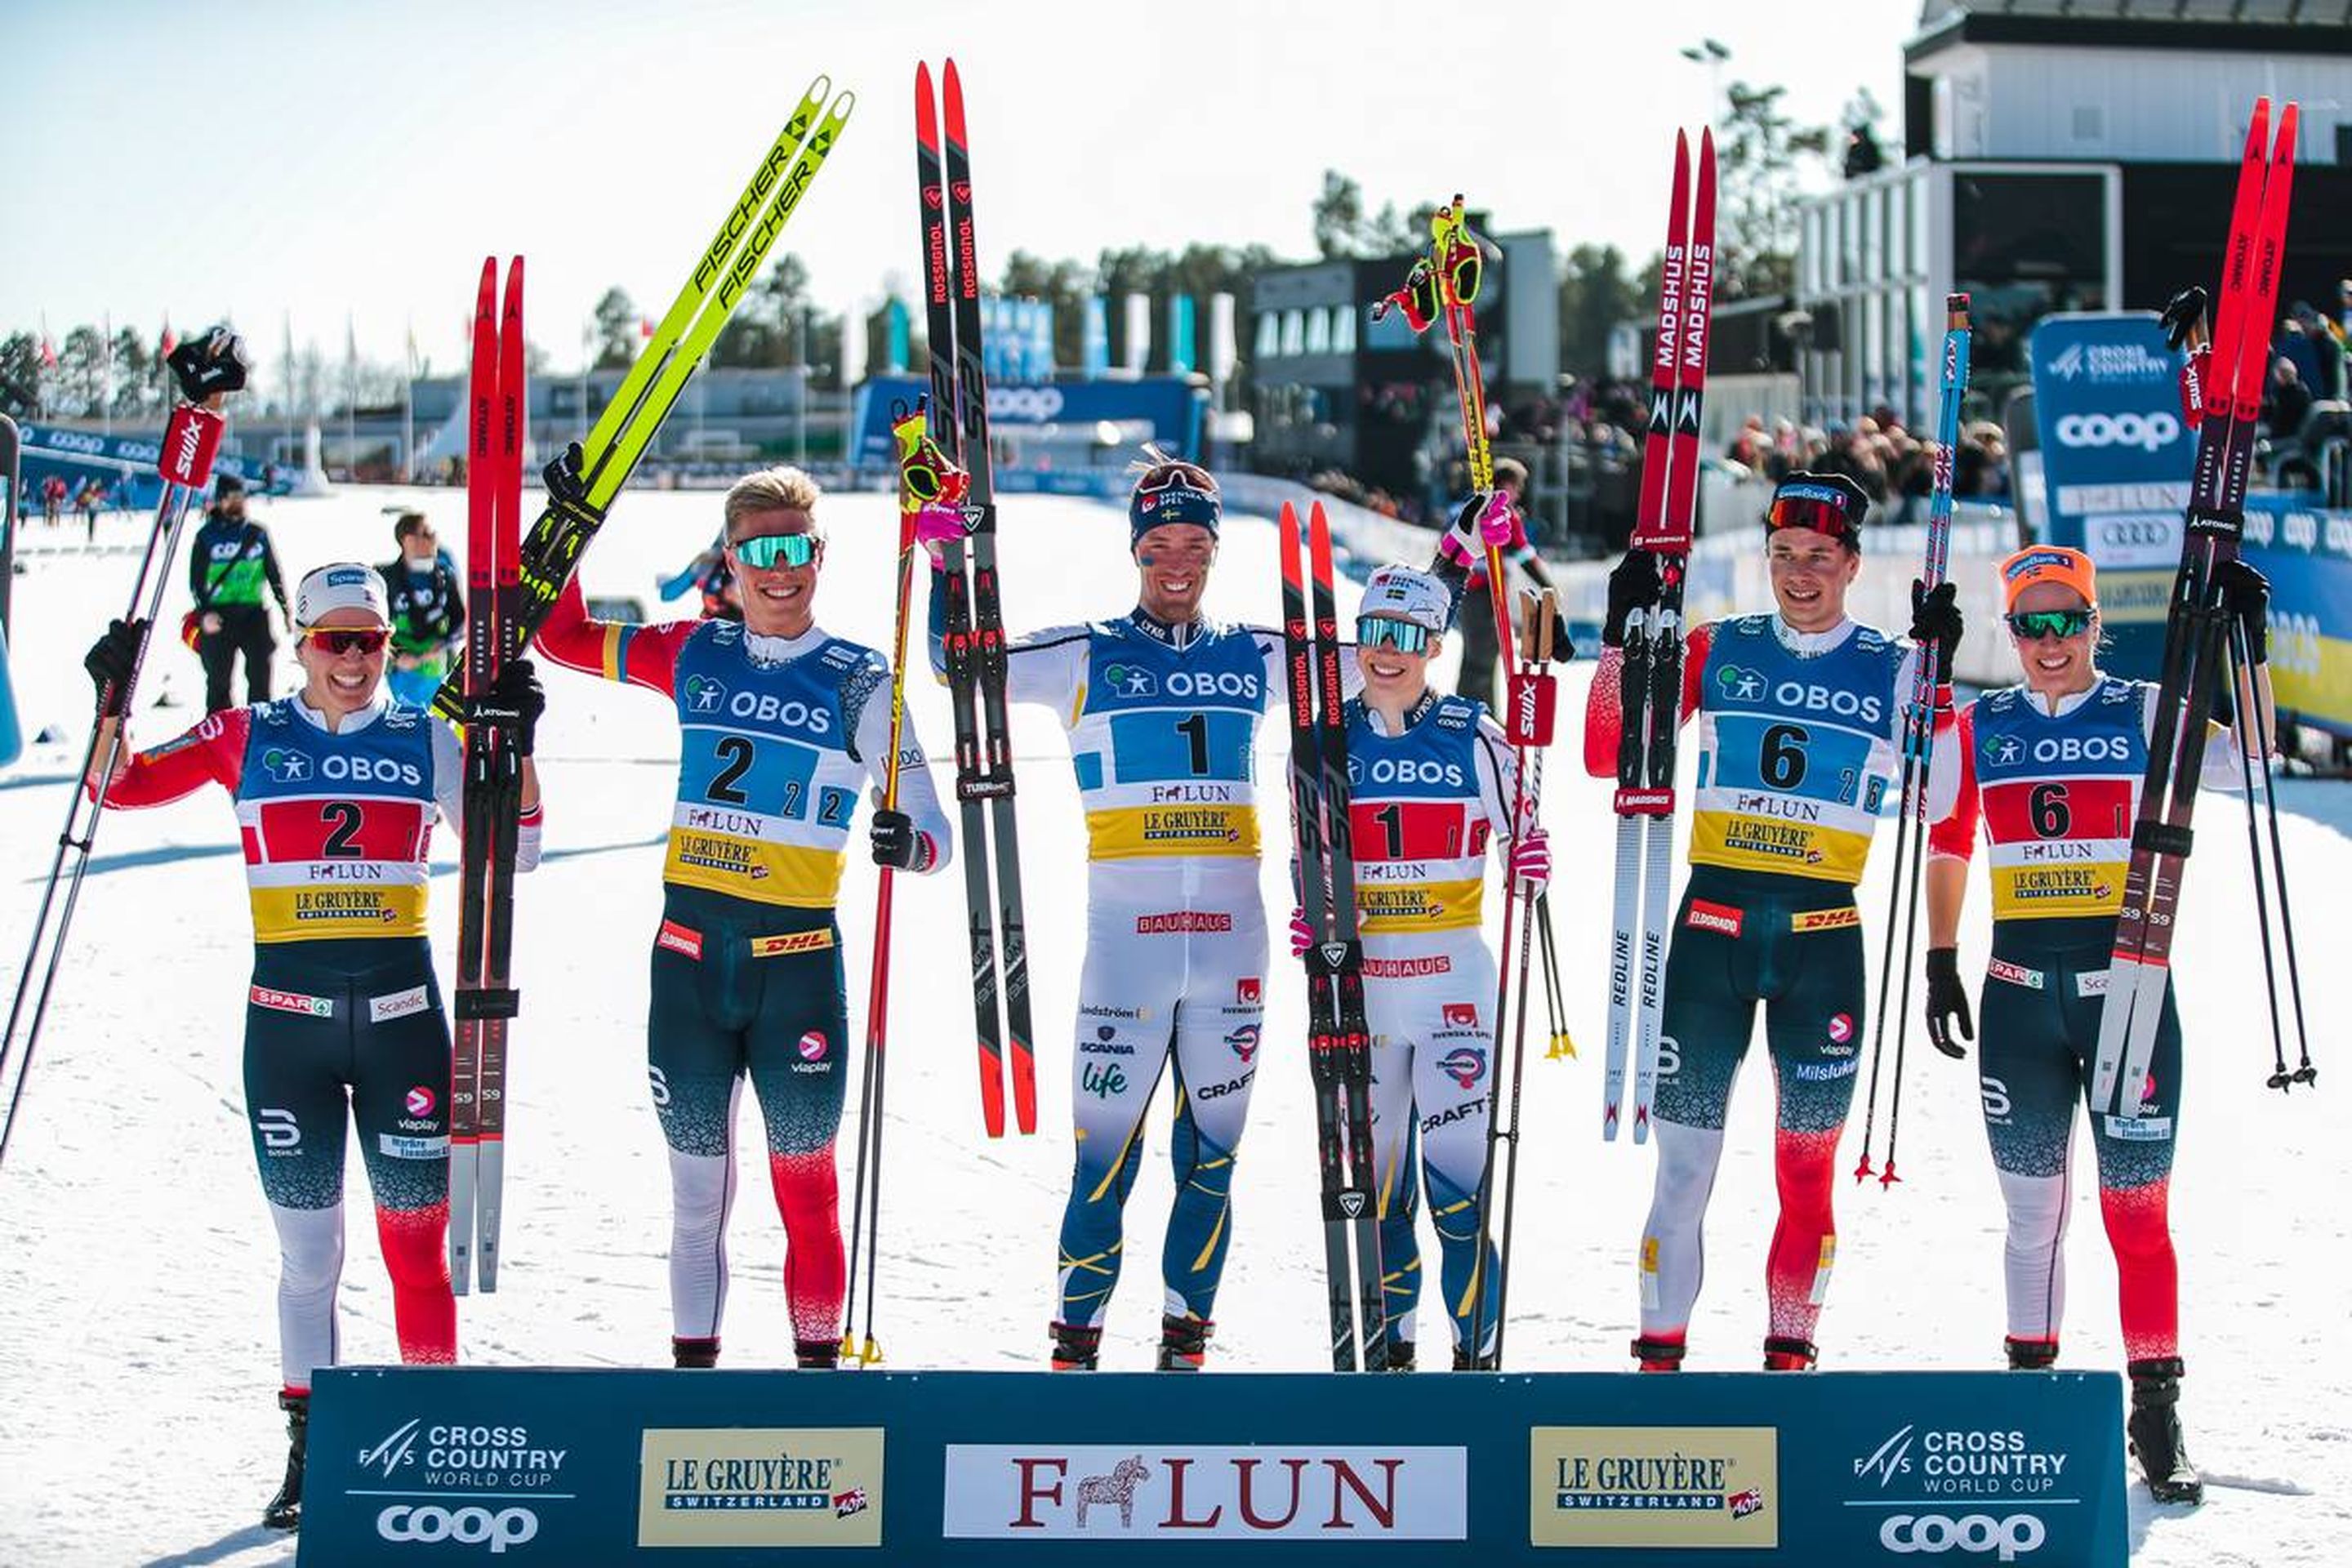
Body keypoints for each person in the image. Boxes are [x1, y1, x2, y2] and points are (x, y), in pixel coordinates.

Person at [80, 563, 546, 1531]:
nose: (352, 660)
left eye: (368, 641)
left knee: (415, 1251)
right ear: (297, 641)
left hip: (403, 1032)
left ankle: (433, 1435)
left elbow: (521, 849)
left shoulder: (427, 738)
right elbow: (114, 791)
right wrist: (110, 700)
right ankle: (310, 1451)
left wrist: (518, 748)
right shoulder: (246, 734)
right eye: (333, 639)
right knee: (309, 1258)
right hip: (286, 1034)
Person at [533, 463, 951, 1371]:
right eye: (761, 550)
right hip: (687, 965)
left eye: (797, 548)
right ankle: (694, 1383)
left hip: (796, 971)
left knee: (806, 1190)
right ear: (730, 557)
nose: (780, 570)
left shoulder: (859, 680)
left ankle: (816, 1389)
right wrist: (573, 522)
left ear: (820, 555)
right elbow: (558, 634)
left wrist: (901, 841)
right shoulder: (693, 651)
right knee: (695, 1197)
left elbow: (936, 833)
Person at [1584, 470, 1962, 1372]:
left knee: (1806, 1171)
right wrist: (1618, 643)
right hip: (1710, 932)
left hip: (1824, 939)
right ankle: (1659, 1358)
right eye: (1785, 556)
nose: (1800, 574)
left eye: (1820, 559)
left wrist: (1937, 680)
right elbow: (1610, 752)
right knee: (1682, 1171)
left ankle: (1790, 1358)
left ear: (1853, 565)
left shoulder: (1889, 664)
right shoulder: (1718, 646)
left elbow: (1940, 798)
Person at [1922, 545, 2270, 1508]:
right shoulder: (1977, 723)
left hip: (2132, 1001)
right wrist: (1939, 960)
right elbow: (1943, 836)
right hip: (2018, 1000)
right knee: (2034, 1219)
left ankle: (2157, 1416)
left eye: (2064, 621)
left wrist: (2251, 649)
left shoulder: (2143, 711)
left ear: (2091, 625)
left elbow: (2256, 762)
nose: (2047, 642)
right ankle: (2032, 1401)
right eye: (2029, 624)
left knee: (2136, 1216)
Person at [1305, 562, 1549, 1370]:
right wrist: (1315, 919)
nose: (1388, 653)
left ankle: (1475, 1361)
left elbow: (1522, 832)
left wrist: (1531, 857)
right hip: (1367, 1001)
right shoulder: (1324, 739)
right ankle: (1392, 1355)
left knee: (1458, 1198)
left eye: (1407, 638)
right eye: (1375, 633)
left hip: (1454, 994)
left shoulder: (1475, 734)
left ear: (1435, 647)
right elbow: (1313, 861)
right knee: (1379, 1199)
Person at [1447, 457, 1559, 710]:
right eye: (1516, 488)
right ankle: (1479, 712)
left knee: (1477, 654)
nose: (1518, 494)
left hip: (1472, 593)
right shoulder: (1498, 513)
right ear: (1505, 485)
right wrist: (1547, 585)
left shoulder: (1471, 508)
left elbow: (1522, 553)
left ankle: (1470, 708)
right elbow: (1524, 555)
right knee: (1482, 655)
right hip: (1480, 593)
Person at [189, 474, 292, 711]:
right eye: (232, 498)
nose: (238, 502)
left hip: (254, 613)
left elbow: (273, 573)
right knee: (219, 682)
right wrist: (205, 613)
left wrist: (285, 607)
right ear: (220, 501)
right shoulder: (206, 536)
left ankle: (259, 729)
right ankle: (219, 734)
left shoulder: (258, 533)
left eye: (241, 497)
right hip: (219, 616)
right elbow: (196, 582)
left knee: (260, 677)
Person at [379, 513, 466, 709]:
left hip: (438, 671)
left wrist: (443, 643)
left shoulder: (444, 575)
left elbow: (460, 618)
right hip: (403, 674)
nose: (434, 538)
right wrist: (396, 657)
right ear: (408, 541)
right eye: (427, 533)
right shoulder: (387, 579)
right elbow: (373, 626)